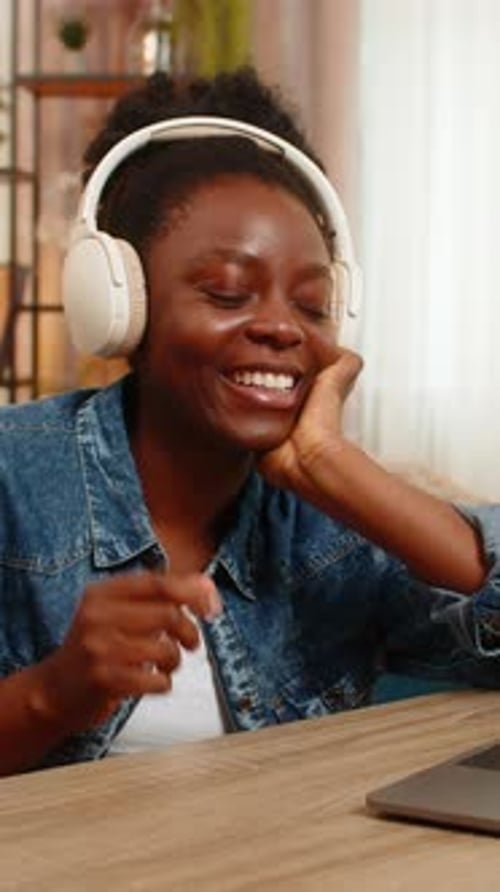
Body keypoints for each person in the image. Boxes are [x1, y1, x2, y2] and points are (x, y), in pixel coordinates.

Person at [0, 67, 499, 777]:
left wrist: (336, 467)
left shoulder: (336, 527)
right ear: (122, 309)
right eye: (228, 292)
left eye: (311, 304)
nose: (279, 327)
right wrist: (52, 695)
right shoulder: (15, 478)